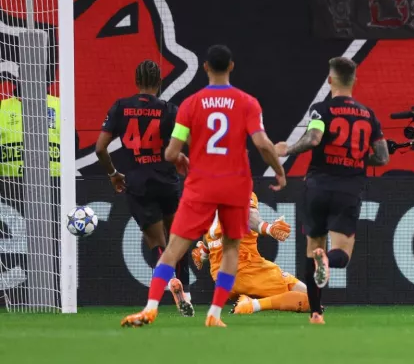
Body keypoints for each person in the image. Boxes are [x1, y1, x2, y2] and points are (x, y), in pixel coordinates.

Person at [121, 45, 286, 328]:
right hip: (235, 185)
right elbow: (261, 143)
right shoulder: (247, 102)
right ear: (231, 66)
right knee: (232, 248)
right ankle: (214, 314)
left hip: (201, 183)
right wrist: (280, 172)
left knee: (173, 247)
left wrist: (182, 158)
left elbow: (171, 152)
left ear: (205, 67)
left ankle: (149, 308)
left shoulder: (190, 105)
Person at [275, 57, 390, 325]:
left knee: (312, 246)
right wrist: (358, 158)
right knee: (342, 253)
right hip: (348, 189)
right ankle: (327, 260)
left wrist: (288, 149)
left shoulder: (321, 110)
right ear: (354, 80)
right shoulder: (368, 115)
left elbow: (314, 138)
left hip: (317, 186)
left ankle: (316, 313)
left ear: (330, 80)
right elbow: (382, 157)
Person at [94, 61, 191, 316]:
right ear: (159, 82)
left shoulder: (121, 108)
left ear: (136, 81)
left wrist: (113, 174)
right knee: (177, 238)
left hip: (137, 182)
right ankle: (187, 295)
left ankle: (170, 281)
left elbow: (100, 148)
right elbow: (183, 141)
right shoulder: (169, 110)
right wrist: (179, 157)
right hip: (166, 181)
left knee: (156, 242)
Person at [190, 191, 304, 315]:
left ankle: (252, 302)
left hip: (221, 278)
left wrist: (204, 252)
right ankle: (252, 305)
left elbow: (209, 235)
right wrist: (268, 228)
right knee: (310, 299)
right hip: (246, 269)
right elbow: (248, 215)